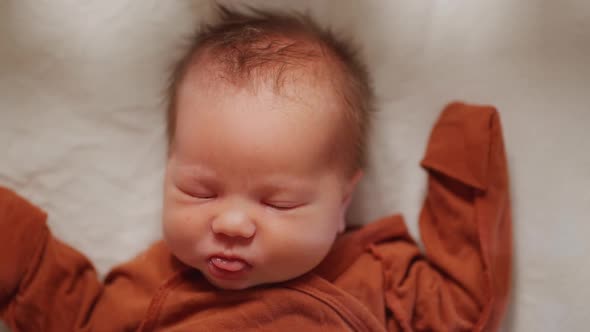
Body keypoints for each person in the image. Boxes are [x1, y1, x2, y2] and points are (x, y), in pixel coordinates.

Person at [0, 5, 512, 331]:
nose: (230, 224)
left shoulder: (375, 273)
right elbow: (71, 314)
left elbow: (462, 314)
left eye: (277, 202)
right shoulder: (153, 286)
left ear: (342, 204)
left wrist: (462, 175)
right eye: (199, 191)